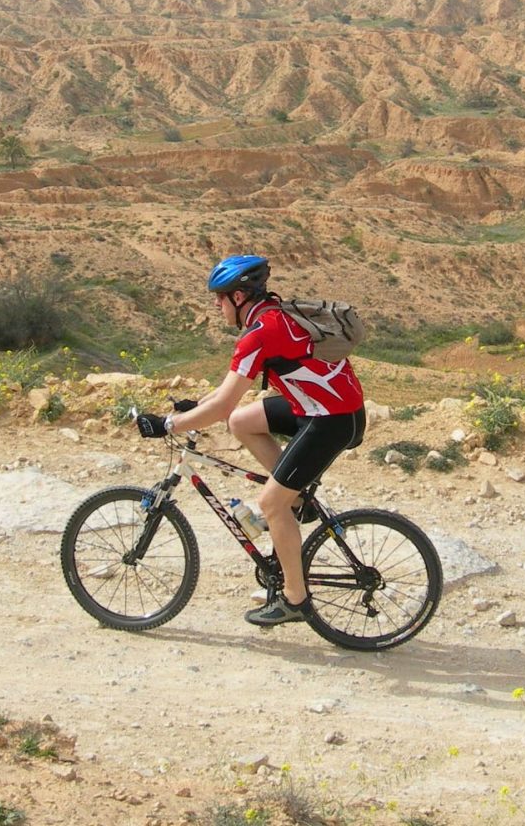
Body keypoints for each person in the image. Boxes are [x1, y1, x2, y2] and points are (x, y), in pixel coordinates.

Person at [135, 254, 367, 626]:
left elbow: (224, 402)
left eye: (220, 297)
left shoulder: (260, 334)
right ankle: (295, 500)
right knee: (242, 421)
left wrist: (168, 424)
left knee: (270, 503)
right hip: (323, 408)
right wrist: (200, 405)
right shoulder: (272, 314)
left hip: (331, 421)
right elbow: (228, 401)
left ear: (239, 297)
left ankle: (295, 600)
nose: (216, 304)